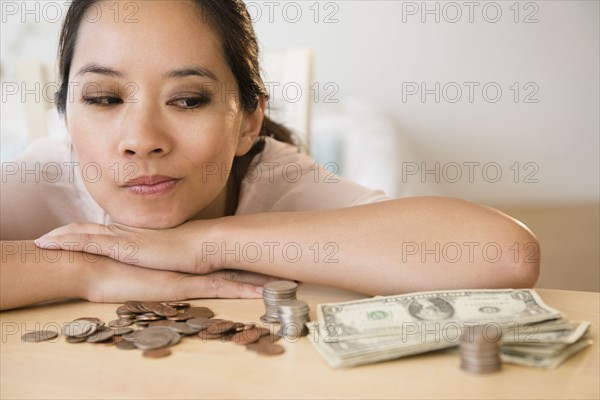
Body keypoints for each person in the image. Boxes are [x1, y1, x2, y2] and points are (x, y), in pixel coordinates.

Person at [0, 0, 540, 311]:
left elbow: (502, 255)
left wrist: (200, 245)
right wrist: (82, 273)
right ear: (66, 118)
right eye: (104, 99)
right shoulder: (47, 176)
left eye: (187, 100)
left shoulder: (276, 180)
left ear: (249, 122)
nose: (142, 139)